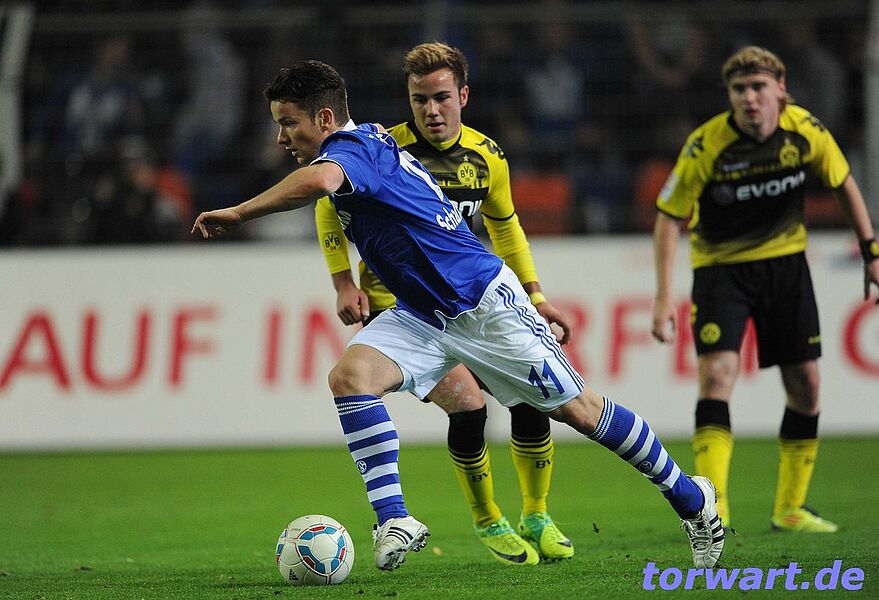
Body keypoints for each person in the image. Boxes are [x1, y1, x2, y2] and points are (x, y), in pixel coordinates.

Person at [192, 59, 724, 572]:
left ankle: (691, 499)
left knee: (580, 412)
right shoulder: (368, 143)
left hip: (484, 305)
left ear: (325, 118)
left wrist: (239, 211)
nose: (281, 138)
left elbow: (319, 185)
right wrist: (342, 279)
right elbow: (329, 199)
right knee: (350, 378)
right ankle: (395, 520)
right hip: (422, 314)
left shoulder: (351, 150)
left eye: (288, 123)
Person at [314, 42, 572, 566]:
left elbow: (505, 226)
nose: (431, 110)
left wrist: (535, 295)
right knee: (470, 406)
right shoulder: (381, 148)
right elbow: (327, 207)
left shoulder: (487, 156)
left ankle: (537, 514)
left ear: (463, 96)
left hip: (467, 302)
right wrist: (342, 281)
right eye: (419, 100)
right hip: (403, 310)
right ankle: (487, 518)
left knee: (530, 401)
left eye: (441, 98)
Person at [651, 46, 879, 533]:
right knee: (718, 375)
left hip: (785, 265)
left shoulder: (805, 130)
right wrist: (663, 295)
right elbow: (669, 218)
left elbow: (844, 183)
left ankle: (790, 509)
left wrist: (871, 250)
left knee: (806, 384)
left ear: (781, 89)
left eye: (758, 87)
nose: (749, 98)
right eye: (739, 89)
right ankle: (713, 509)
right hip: (721, 271)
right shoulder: (706, 144)